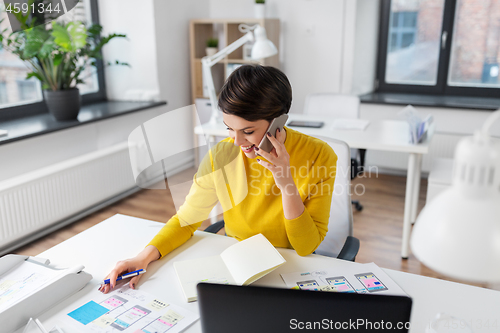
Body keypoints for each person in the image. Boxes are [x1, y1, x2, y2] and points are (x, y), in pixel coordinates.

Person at [99, 65, 337, 294]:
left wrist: (286, 184)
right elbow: (187, 220)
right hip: (240, 267)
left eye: (247, 131)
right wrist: (142, 258)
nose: (236, 142)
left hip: (290, 270)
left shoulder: (319, 155)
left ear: (278, 122)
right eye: (229, 129)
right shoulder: (221, 155)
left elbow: (305, 247)